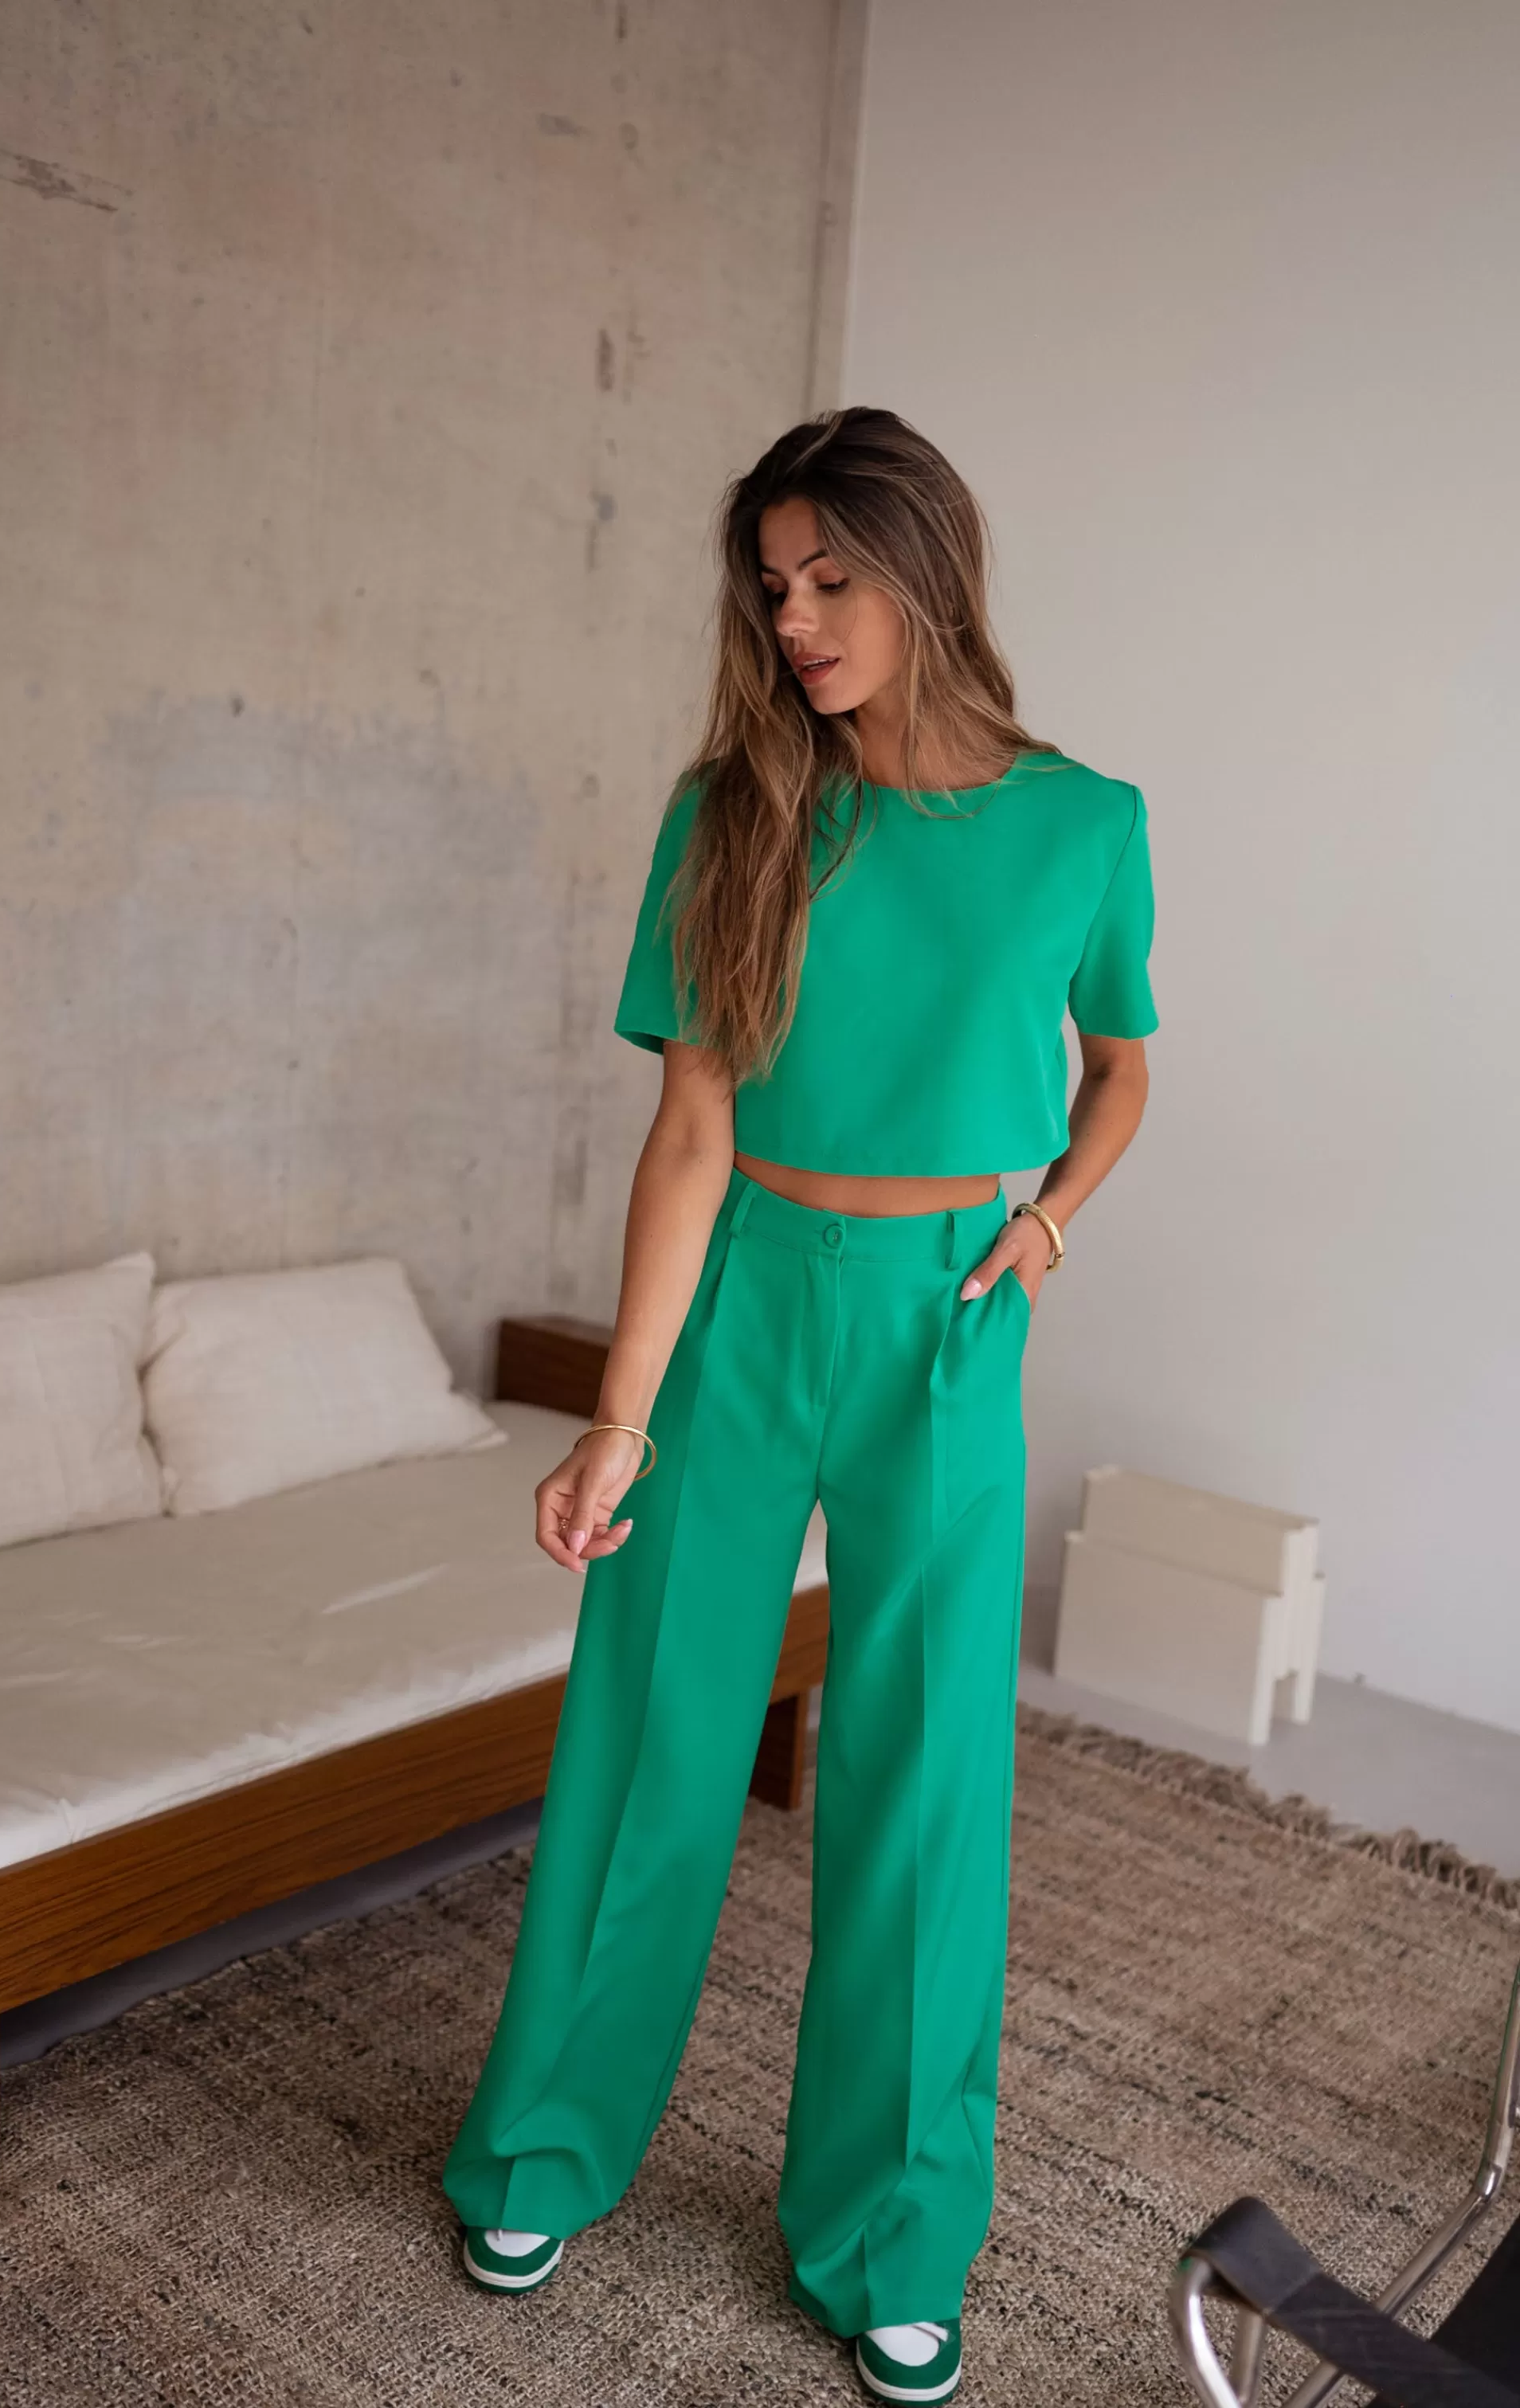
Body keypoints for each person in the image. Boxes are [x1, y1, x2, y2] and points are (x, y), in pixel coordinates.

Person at [441, 405, 1158, 2403]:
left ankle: (893, 2234)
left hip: (950, 1316)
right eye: (773, 586)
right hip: (750, 1292)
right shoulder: (737, 810)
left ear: (927, 567)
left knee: (925, 1781)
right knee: (650, 1737)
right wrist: (618, 1414)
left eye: (833, 577)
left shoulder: (1085, 823)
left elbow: (1122, 1065)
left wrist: (1051, 1220)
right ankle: (542, 2146)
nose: (797, 619)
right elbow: (690, 1133)